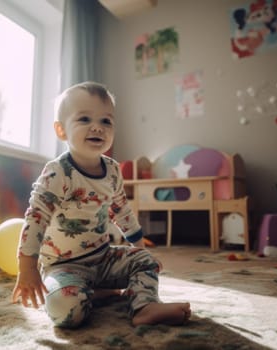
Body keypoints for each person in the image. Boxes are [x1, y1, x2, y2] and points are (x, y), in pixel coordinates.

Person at [11, 81, 191, 328]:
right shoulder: (57, 173)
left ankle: (144, 307)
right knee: (67, 313)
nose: (97, 127)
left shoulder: (113, 171)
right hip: (63, 266)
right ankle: (92, 294)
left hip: (103, 258)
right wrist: (27, 268)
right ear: (61, 130)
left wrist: (139, 249)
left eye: (106, 121)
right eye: (84, 119)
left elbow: (122, 211)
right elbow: (36, 219)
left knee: (147, 260)